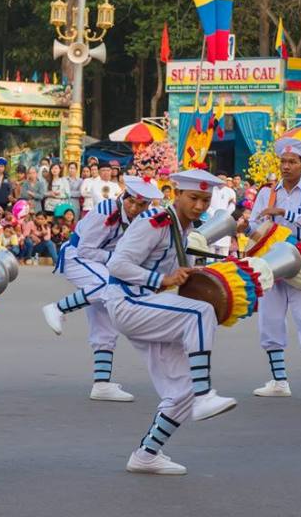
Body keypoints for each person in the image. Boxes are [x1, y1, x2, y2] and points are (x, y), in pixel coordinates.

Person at [100, 169, 236, 475]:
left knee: (181, 390)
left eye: (205, 199)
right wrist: (161, 278)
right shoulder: (155, 222)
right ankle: (205, 395)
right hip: (128, 302)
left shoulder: (185, 230)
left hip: (147, 305)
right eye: (193, 198)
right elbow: (117, 264)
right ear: (176, 194)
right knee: (201, 314)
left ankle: (146, 454)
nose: (200, 206)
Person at [42, 176, 161, 402]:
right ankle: (57, 308)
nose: (134, 208)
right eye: (131, 201)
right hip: (77, 257)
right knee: (108, 287)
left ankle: (102, 384)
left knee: (105, 326)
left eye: (141, 205)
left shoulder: (143, 221)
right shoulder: (105, 210)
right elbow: (86, 249)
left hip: (101, 264)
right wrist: (118, 260)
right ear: (123, 196)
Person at [243, 139, 301, 403]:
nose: (286, 166)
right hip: (270, 260)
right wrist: (245, 229)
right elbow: (256, 225)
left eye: (292, 162)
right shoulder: (266, 192)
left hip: (300, 260)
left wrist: (284, 212)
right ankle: (279, 380)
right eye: (283, 161)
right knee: (269, 320)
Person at [208, 173, 236, 257]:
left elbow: (232, 206)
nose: (221, 180)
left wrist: (224, 215)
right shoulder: (210, 190)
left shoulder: (230, 191)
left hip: (224, 220)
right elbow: (207, 204)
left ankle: (222, 266)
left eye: (223, 179)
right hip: (211, 219)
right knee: (211, 245)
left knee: (223, 248)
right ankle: (210, 267)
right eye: (219, 178)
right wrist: (214, 214)